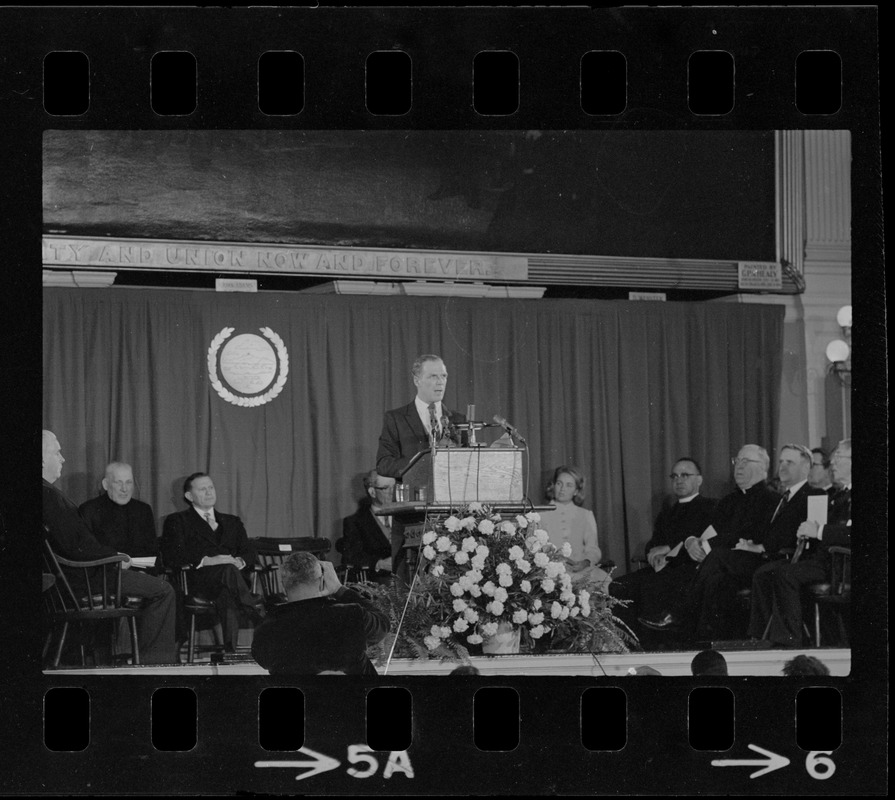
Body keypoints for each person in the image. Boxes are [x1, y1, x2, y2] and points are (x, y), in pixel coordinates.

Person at [41, 431, 177, 664]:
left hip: (76, 577)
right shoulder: (49, 496)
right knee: (164, 591)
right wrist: (115, 557)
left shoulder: (48, 494)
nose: (63, 458)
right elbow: (76, 547)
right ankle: (154, 664)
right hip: (86, 579)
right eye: (57, 452)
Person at [679, 444, 825, 642]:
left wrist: (759, 547)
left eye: (789, 462)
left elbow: (811, 540)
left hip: (774, 560)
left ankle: (684, 617)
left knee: (718, 556)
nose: (782, 466)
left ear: (806, 467)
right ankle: (703, 639)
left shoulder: (807, 496)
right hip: (756, 556)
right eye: (781, 462)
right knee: (717, 579)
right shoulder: (784, 497)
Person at [638, 445, 778, 635]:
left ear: (763, 467)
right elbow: (711, 530)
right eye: (737, 461)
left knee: (714, 561)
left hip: (751, 561)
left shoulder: (771, 499)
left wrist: (705, 546)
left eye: (746, 461)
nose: (739, 466)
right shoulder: (728, 501)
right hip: (721, 562)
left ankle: (678, 615)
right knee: (705, 575)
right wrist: (691, 541)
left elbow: (747, 534)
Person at [747, 439, 852, 647]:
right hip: (826, 560)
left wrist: (819, 531)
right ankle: (763, 638)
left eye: (839, 457)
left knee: (786, 574)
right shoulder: (839, 495)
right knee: (771, 573)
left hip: (842, 564)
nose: (833, 463)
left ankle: (788, 641)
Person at [610, 458, 716, 629]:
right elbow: (654, 543)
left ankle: (656, 642)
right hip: (662, 567)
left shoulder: (710, 507)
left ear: (699, 480)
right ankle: (627, 642)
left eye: (685, 475)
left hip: (688, 567)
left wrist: (668, 548)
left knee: (651, 586)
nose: (678, 480)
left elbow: (703, 540)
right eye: (674, 476)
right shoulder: (667, 512)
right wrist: (653, 554)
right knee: (618, 586)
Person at [160, 472, 261, 652]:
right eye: (202, 489)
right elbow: (172, 555)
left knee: (227, 589)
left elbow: (249, 551)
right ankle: (255, 612)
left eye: (211, 487)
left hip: (232, 583)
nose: (209, 492)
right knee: (228, 572)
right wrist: (208, 561)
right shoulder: (178, 521)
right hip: (199, 583)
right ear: (189, 496)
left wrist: (240, 561)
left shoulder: (232, 521)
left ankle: (230, 652)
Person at [251, 551, 390, 675]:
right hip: (354, 700)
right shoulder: (350, 615)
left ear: (283, 584)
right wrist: (339, 589)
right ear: (323, 581)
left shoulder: (266, 628)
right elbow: (383, 624)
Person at [375, 354, 467, 480]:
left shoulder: (459, 420)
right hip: (413, 494)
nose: (440, 382)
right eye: (433, 376)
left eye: (443, 376)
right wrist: (421, 464)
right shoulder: (396, 418)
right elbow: (383, 465)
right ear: (417, 381)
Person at [539, 466, 611, 590]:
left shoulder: (585, 515)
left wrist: (586, 562)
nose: (562, 489)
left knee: (605, 584)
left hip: (581, 569)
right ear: (553, 486)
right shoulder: (541, 514)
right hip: (552, 571)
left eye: (569, 485)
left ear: (576, 491)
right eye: (559, 483)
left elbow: (593, 548)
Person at [79, 462, 160, 562]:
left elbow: (152, 551)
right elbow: (87, 551)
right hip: (104, 573)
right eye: (118, 482)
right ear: (105, 484)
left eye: (128, 482)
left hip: (139, 573)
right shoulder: (89, 510)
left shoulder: (143, 510)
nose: (124, 489)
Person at [340, 470, 395, 584]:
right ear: (372, 492)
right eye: (386, 488)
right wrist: (379, 564)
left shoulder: (405, 517)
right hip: (376, 583)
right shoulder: (355, 522)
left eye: (394, 487)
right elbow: (350, 557)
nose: (392, 492)